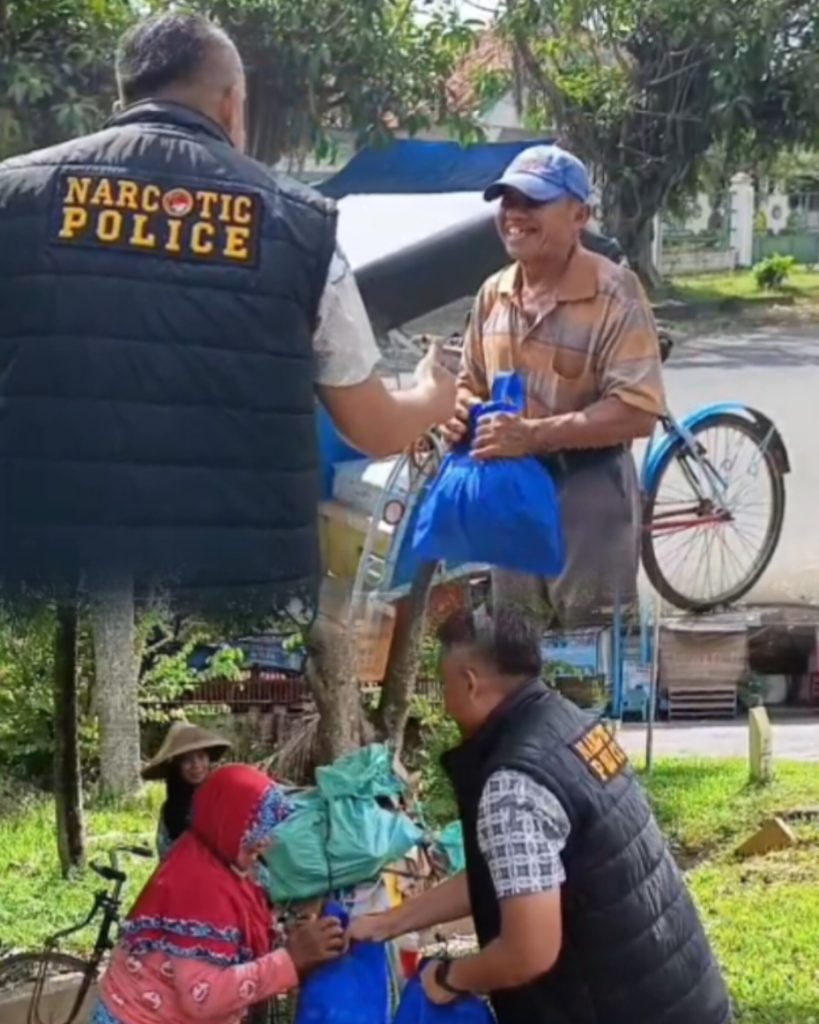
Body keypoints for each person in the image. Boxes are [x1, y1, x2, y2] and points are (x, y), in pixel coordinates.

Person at [0, 11, 455, 608]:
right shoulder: (301, 226)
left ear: (123, 99)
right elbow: (374, 427)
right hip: (237, 600)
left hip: (39, 590)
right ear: (232, 104)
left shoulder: (15, 197)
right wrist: (434, 394)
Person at [351, 608, 732, 1024]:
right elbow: (510, 876)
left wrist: (448, 977)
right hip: (678, 991)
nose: (444, 701)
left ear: (470, 683)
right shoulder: (569, 722)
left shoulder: (513, 782)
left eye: (445, 685)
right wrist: (389, 922)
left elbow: (527, 952)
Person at [443, 144, 665, 627]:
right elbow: (468, 384)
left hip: (588, 495)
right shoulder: (494, 294)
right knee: (517, 648)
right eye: (508, 201)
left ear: (579, 215)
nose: (515, 214)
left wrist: (532, 435)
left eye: (534, 201)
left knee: (593, 648)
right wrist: (463, 414)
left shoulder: (615, 293)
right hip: (510, 499)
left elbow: (637, 412)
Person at [92, 764, 345, 1024]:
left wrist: (285, 940)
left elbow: (233, 940)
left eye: (267, 829)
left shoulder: (221, 865)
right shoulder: (199, 885)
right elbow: (202, 998)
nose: (264, 841)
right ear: (228, 822)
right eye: (256, 829)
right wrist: (290, 959)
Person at [140, 721, 232, 859]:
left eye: (201, 757)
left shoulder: (225, 795)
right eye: (187, 760)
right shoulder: (171, 809)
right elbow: (167, 854)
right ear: (177, 766)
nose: (196, 765)